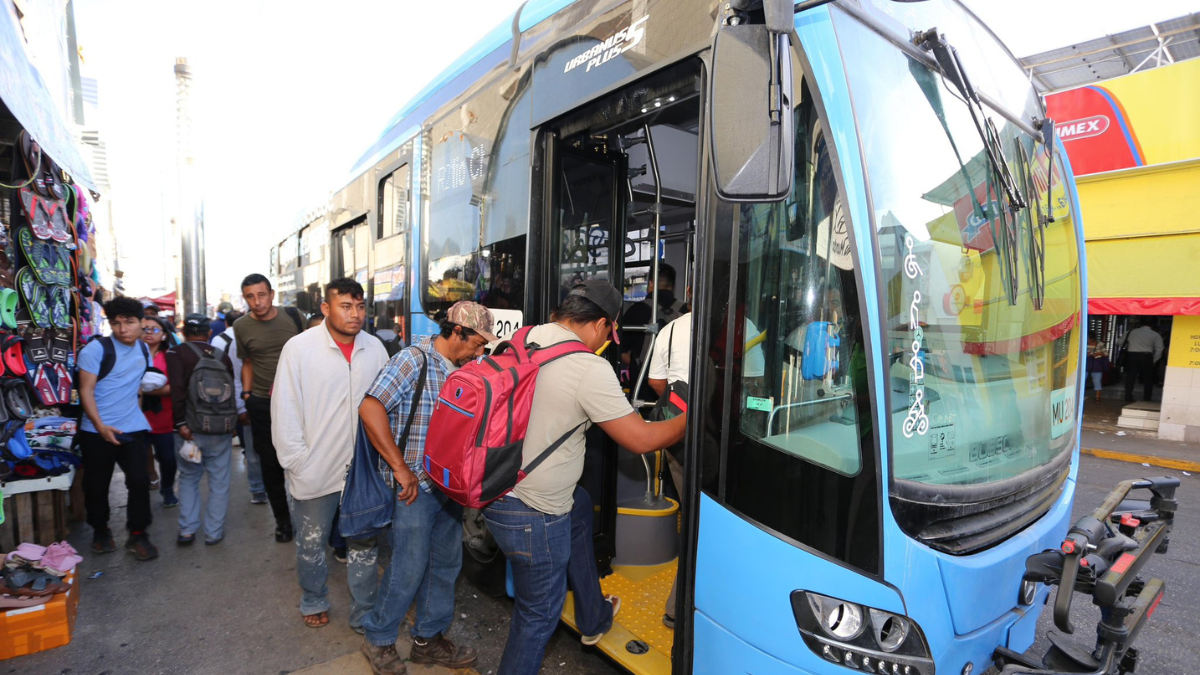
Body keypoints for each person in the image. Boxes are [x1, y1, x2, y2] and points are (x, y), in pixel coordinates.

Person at [484, 280, 687, 675]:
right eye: (611, 332)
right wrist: (688, 420)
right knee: (538, 615)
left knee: (578, 504)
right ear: (599, 325)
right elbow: (641, 439)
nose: (609, 341)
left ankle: (593, 617)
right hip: (533, 514)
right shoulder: (588, 367)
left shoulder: (520, 340)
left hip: (493, 488)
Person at [357, 301, 493, 674]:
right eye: (478, 342)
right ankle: (379, 637)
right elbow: (370, 408)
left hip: (449, 487)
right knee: (409, 567)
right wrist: (400, 469)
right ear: (458, 332)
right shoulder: (412, 361)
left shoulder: (465, 369)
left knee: (445, 566)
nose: (481, 351)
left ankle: (427, 640)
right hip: (414, 489)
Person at [271, 278, 389, 630]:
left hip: (364, 472)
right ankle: (313, 598)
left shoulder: (376, 348)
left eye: (360, 306)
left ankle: (364, 612)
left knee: (364, 548)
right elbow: (285, 408)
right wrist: (296, 462)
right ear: (326, 308)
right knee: (311, 544)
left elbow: (386, 407)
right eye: (345, 306)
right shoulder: (299, 348)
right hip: (314, 470)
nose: (355, 314)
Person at [77, 297, 158, 561]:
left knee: (139, 481)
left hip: (132, 429)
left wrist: (136, 413)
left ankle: (138, 533)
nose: (123, 329)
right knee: (96, 486)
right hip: (96, 431)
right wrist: (100, 426)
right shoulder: (95, 350)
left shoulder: (144, 350)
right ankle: (100, 530)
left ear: (142, 322)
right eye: (116, 323)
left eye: (129, 322)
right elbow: (85, 390)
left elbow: (137, 386)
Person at [234, 273, 304, 542]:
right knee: (270, 464)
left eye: (261, 295)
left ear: (272, 294)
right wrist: (248, 395)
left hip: (298, 400)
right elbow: (248, 362)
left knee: (304, 459)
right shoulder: (241, 326)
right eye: (250, 297)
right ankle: (283, 522)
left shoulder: (293, 317)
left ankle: (309, 516)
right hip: (263, 402)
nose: (257, 302)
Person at [166, 314, 237, 546]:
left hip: (190, 429)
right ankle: (214, 533)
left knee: (188, 478)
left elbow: (177, 391)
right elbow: (231, 393)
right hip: (221, 429)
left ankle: (187, 530)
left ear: (184, 333)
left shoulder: (177, 353)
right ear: (209, 333)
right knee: (219, 481)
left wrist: (180, 424)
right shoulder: (222, 356)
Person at [212, 312, 265, 504]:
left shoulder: (220, 340)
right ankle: (259, 488)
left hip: (257, 402)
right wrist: (242, 405)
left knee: (258, 450)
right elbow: (235, 377)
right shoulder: (242, 340)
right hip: (253, 401)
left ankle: (262, 489)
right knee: (256, 450)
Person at [622, 263, 688, 394]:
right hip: (679, 388)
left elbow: (622, 354)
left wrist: (642, 367)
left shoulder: (635, 311)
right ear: (673, 286)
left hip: (642, 389)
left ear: (650, 283)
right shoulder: (686, 311)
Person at [141, 316, 178, 508]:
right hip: (137, 416)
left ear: (164, 335)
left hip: (164, 417)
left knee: (168, 459)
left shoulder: (170, 357)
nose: (148, 332)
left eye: (154, 329)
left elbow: (176, 387)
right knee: (138, 460)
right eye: (145, 328)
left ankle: (168, 488)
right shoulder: (133, 354)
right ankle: (141, 492)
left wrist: (146, 390)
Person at [1123, 320, 1163, 403]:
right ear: (1152, 325)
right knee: (1147, 378)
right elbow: (1160, 349)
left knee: (1130, 377)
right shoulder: (1155, 335)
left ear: (1140, 324)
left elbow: (1120, 342)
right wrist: (1154, 360)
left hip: (1132, 355)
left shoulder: (1131, 332)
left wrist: (1130, 345)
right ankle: (1147, 397)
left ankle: (1128, 396)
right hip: (1147, 356)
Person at [1087, 337, 1110, 403]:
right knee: (1082, 380)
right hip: (1087, 364)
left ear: (1092, 338)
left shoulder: (1100, 344)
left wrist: (1099, 354)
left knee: (1097, 380)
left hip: (1097, 365)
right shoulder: (1083, 342)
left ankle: (1097, 397)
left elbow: (1106, 354)